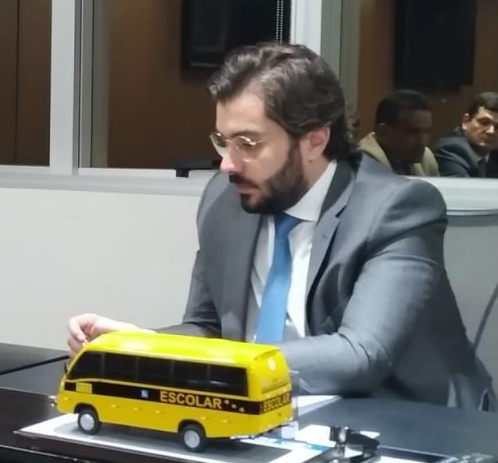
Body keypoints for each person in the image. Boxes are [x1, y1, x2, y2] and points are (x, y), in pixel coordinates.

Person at [68, 43, 491, 408]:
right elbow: (208, 328)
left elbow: (360, 355)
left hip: (409, 424)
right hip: (279, 415)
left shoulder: (394, 208)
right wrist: (141, 347)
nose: (228, 164)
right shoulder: (225, 200)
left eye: (247, 143)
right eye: (223, 141)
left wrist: (208, 363)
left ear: (315, 140)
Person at [357, 90, 438, 176]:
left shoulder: (426, 158)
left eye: (427, 131)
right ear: (382, 132)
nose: (423, 142)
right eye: (412, 132)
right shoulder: (363, 160)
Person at [434, 92, 498, 178]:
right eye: (484, 122)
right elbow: (461, 186)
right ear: (466, 121)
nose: (491, 131)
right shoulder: (452, 149)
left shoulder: (494, 154)